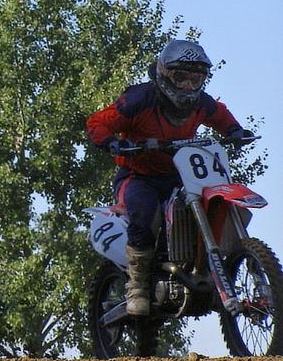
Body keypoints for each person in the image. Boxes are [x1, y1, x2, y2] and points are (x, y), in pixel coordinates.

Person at [86, 40, 252, 316]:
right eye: (180, 77)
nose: (187, 86)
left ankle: (208, 269)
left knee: (212, 204)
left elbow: (220, 115)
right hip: (138, 176)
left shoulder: (201, 103)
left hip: (181, 175)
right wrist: (112, 143)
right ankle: (137, 287)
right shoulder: (140, 99)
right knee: (144, 214)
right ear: (164, 74)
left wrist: (235, 130)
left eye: (195, 79)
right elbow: (97, 122)